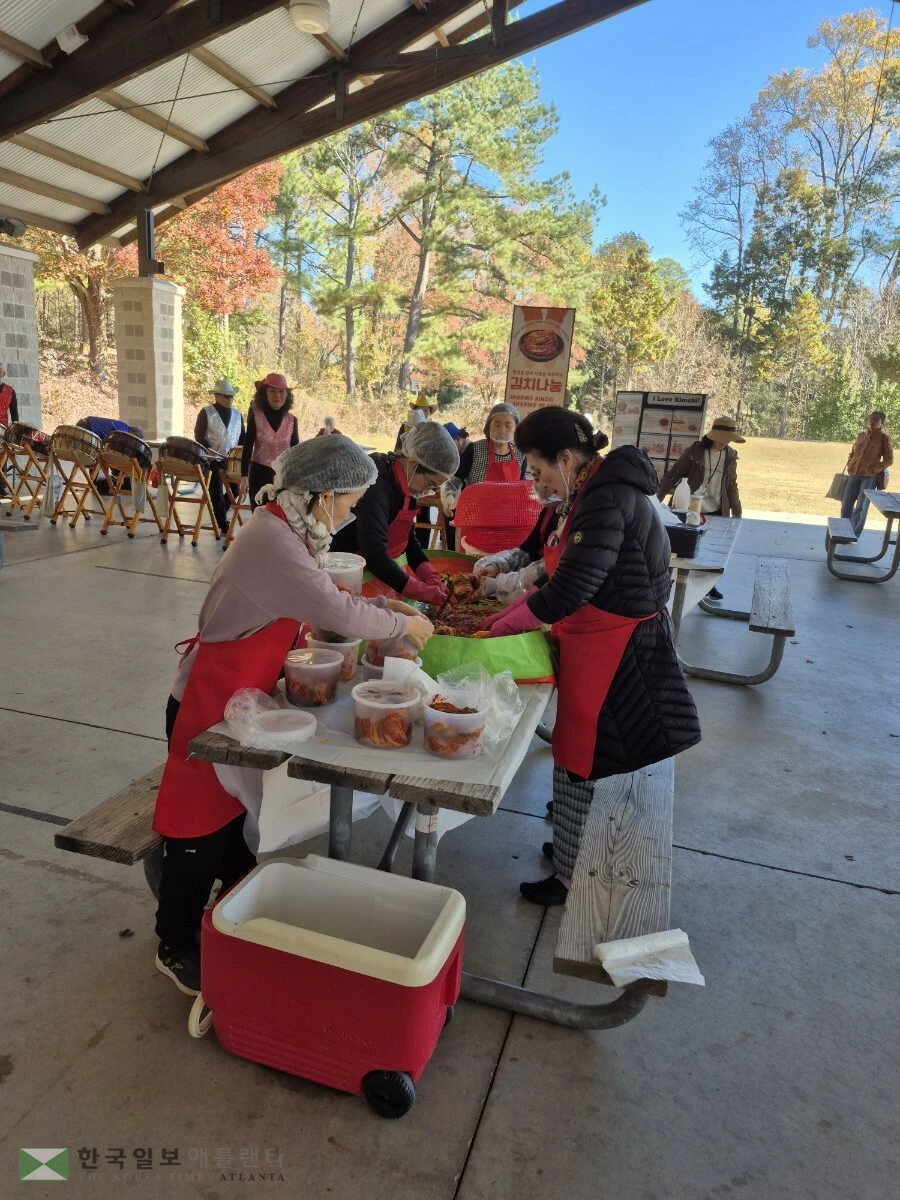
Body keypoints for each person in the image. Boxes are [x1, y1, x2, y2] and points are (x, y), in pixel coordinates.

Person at [152, 436, 434, 995]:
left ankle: (230, 920)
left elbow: (321, 597)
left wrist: (382, 606)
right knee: (197, 831)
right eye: (350, 501)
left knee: (232, 825)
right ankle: (174, 943)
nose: (351, 513)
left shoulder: (283, 529)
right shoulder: (272, 540)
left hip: (236, 698)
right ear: (323, 495)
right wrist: (401, 625)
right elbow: (332, 608)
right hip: (204, 703)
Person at [483, 406, 701, 906]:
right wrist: (509, 572)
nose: (535, 481)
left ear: (565, 458)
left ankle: (571, 873)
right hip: (588, 637)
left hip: (616, 645)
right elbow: (543, 549)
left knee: (585, 752)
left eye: (537, 470)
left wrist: (510, 619)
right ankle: (571, 844)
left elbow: (573, 585)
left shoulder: (607, 501)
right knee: (576, 748)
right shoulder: (578, 492)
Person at [330, 420, 459, 605]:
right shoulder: (376, 486)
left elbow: (409, 540)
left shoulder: (408, 483)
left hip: (382, 577)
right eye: (431, 484)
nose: (430, 491)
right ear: (414, 464)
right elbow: (374, 554)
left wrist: (431, 577)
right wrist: (421, 592)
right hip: (350, 580)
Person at [656, 414, 745, 600]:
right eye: (723, 439)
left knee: (712, 551)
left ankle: (708, 586)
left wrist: (737, 511)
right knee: (681, 549)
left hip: (717, 508)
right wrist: (657, 500)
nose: (725, 443)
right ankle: (668, 583)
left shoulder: (729, 456)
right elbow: (673, 475)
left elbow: (732, 485)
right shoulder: (695, 452)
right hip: (690, 508)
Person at [240, 373, 299, 509]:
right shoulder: (255, 417)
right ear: (264, 394)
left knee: (282, 518)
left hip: (283, 477)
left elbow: (296, 452)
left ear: (287, 395)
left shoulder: (292, 420)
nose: (277, 395)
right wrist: (244, 476)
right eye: (272, 391)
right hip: (259, 474)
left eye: (281, 391)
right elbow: (247, 446)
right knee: (259, 517)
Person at [193, 379, 245, 535]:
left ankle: (221, 510)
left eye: (231, 397)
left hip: (232, 459)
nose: (230, 399)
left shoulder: (237, 414)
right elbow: (199, 435)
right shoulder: (206, 412)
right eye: (226, 396)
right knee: (215, 490)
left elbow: (242, 436)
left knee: (235, 490)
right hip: (212, 458)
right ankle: (222, 523)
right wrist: (209, 452)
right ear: (217, 396)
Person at [842, 410, 893, 535]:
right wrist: (850, 463)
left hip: (869, 478)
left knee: (861, 506)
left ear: (881, 423)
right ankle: (842, 531)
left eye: (876, 420)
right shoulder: (861, 436)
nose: (872, 422)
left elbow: (889, 459)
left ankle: (853, 534)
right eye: (871, 419)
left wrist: (875, 469)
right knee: (846, 503)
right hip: (854, 474)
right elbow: (852, 453)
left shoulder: (883, 438)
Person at [76, 415, 144, 439]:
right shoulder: (124, 432)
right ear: (133, 433)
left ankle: (94, 471)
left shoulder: (124, 425)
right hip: (88, 427)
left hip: (86, 422)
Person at [0, 362, 20, 427]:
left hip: (2, 430)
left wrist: (16, 431)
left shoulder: (10, 392)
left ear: (3, 374)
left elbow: (14, 414)